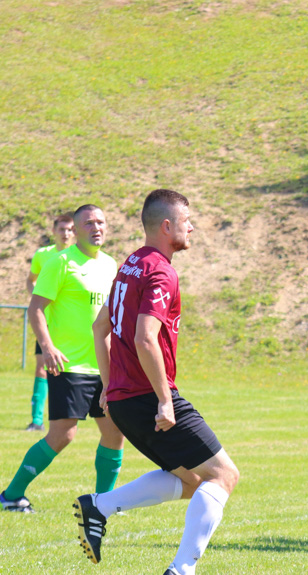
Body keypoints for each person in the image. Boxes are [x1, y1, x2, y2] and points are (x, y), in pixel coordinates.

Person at [74, 189, 239, 575]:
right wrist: (165, 400)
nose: (192, 227)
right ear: (167, 226)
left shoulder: (131, 263)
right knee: (224, 475)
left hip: (125, 399)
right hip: (149, 396)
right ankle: (181, 570)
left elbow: (100, 329)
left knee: (191, 482)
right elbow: (144, 337)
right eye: (187, 221)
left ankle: (98, 507)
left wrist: (109, 388)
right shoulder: (160, 270)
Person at [0, 205, 123, 514]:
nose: (97, 227)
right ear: (76, 230)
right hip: (69, 365)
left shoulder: (112, 266)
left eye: (101, 222)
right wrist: (48, 346)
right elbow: (36, 308)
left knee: (114, 433)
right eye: (89, 223)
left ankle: (101, 506)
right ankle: (11, 495)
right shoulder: (61, 263)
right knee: (62, 435)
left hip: (105, 366)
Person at [24, 213, 75, 432]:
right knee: (42, 368)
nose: (66, 233)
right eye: (62, 229)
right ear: (54, 231)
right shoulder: (42, 255)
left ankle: (71, 418)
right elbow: (31, 280)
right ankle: (37, 420)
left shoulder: (78, 256)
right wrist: (38, 299)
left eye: (70, 229)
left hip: (70, 327)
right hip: (46, 325)